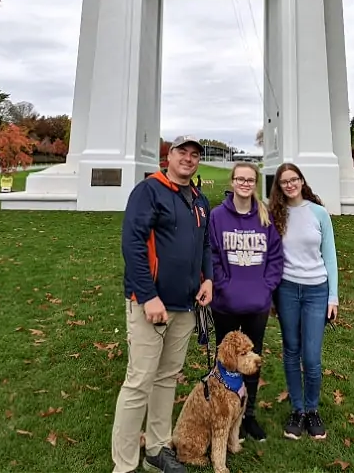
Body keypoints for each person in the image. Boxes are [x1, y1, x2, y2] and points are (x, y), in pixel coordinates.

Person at [110, 136, 213, 473]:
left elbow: (205, 246)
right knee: (139, 382)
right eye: (182, 152)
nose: (188, 158)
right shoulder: (149, 191)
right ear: (168, 157)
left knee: (167, 378)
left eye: (195, 155)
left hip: (185, 306)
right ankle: (124, 464)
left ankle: (156, 448)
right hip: (150, 305)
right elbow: (132, 243)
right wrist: (148, 295)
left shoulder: (199, 200)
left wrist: (207, 279)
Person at [207, 162, 283, 442]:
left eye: (250, 179)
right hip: (225, 303)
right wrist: (223, 285)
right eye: (240, 178)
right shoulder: (217, 216)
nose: (245, 183)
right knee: (226, 363)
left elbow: (275, 257)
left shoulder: (265, 217)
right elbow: (212, 254)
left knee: (251, 364)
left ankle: (247, 417)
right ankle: (221, 414)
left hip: (256, 305)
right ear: (233, 181)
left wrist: (266, 287)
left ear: (255, 183)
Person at [269, 162, 339, 441]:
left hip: (316, 291)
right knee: (291, 351)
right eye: (284, 181)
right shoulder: (276, 214)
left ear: (301, 181)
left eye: (294, 179)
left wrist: (333, 296)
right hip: (286, 289)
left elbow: (330, 257)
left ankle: (312, 409)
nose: (290, 184)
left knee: (311, 357)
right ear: (279, 186)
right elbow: (272, 258)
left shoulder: (319, 213)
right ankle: (297, 410)